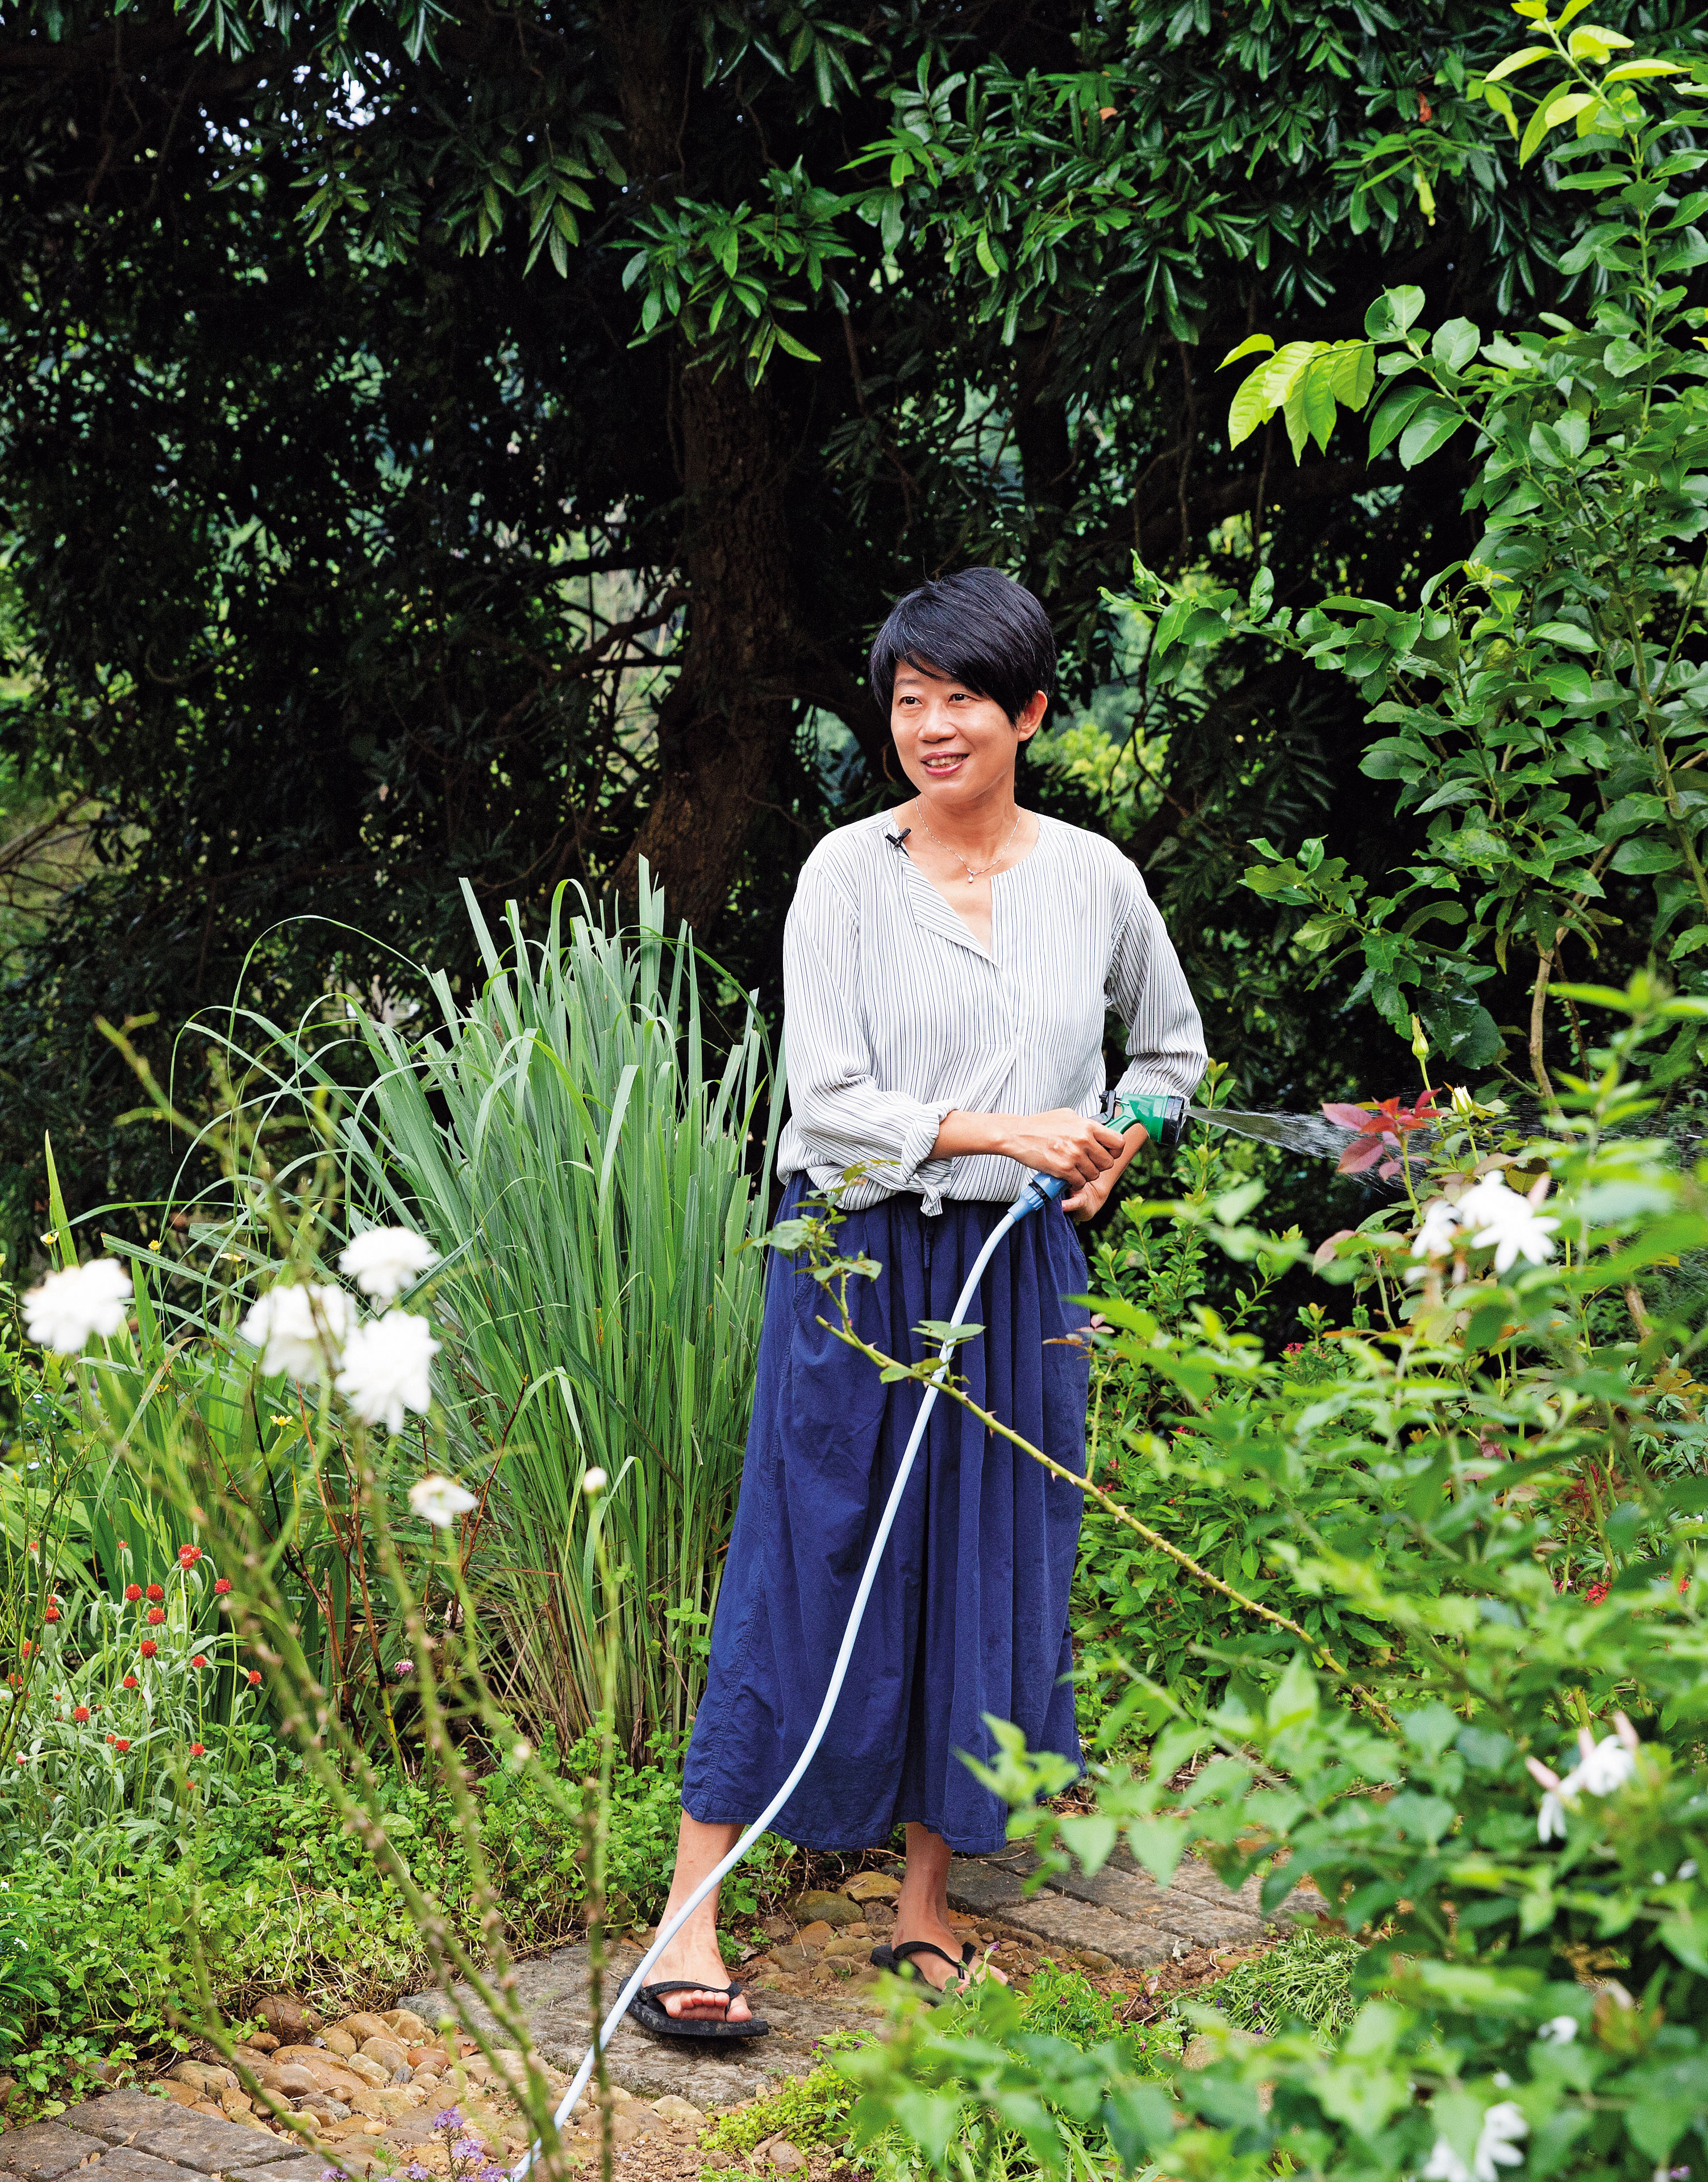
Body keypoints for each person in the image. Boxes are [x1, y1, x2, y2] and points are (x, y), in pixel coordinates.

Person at [628, 568, 1208, 2038]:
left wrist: (1113, 1147)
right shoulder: (844, 876)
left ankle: (926, 1908)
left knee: (992, 1565)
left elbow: (1172, 1056)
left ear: (1031, 714)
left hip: (1020, 1272)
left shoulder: (1096, 882)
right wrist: (1012, 1129)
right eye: (908, 699)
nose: (933, 726)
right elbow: (827, 1102)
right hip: (855, 1260)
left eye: (963, 698)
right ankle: (687, 1923)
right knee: (804, 1553)